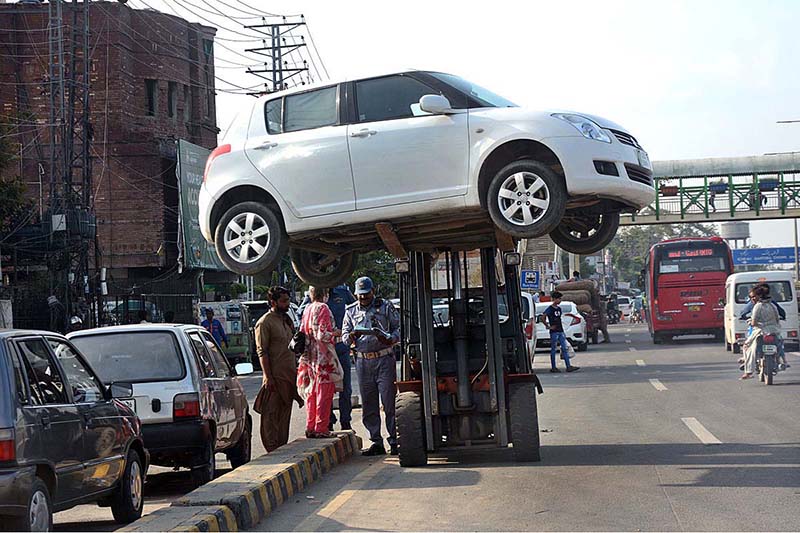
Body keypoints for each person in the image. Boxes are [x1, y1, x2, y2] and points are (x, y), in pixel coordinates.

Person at [342, 276, 401, 456]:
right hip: (362, 361)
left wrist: (390, 338)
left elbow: (399, 328)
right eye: (360, 295)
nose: (363, 298)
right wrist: (351, 337)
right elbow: (344, 335)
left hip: (384, 359)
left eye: (366, 294)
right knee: (368, 403)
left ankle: (395, 440)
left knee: (389, 402)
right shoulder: (350, 311)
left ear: (373, 291)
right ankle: (376, 441)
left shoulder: (385, 306)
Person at [254, 286, 304, 451]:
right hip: (274, 379)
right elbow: (262, 352)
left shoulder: (286, 320)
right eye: (283, 301)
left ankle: (281, 450)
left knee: (284, 419)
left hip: (289, 377)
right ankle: (272, 453)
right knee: (271, 418)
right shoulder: (264, 322)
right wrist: (268, 377)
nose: (287, 304)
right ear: (273, 302)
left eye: (288, 300)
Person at [297, 287, 343, 438]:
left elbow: (303, 332)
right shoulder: (323, 308)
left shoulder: (307, 309)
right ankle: (321, 428)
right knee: (324, 394)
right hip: (323, 360)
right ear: (325, 294)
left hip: (309, 359)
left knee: (311, 393)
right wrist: (336, 333)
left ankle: (310, 426)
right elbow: (322, 335)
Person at [326, 283, 357, 430]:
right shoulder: (313, 293)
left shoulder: (342, 291)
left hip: (341, 347)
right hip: (324, 349)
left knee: (345, 387)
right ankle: (328, 421)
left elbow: (357, 309)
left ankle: (346, 421)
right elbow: (302, 313)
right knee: (326, 387)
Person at [741, 284, 782, 380]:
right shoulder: (772, 305)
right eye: (750, 297)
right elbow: (777, 319)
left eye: (753, 296)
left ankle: (748, 371)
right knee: (780, 344)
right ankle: (781, 361)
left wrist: (751, 322)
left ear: (759, 296)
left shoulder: (757, 306)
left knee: (747, 347)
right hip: (774, 330)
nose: (752, 299)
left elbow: (754, 322)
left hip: (760, 331)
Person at [541, 291, 580, 373]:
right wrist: (548, 326)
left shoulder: (559, 309)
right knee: (553, 349)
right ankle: (553, 367)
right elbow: (543, 317)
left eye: (560, 299)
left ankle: (568, 366)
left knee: (564, 348)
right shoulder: (550, 309)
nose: (560, 300)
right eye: (558, 299)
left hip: (560, 330)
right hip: (554, 331)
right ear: (554, 299)